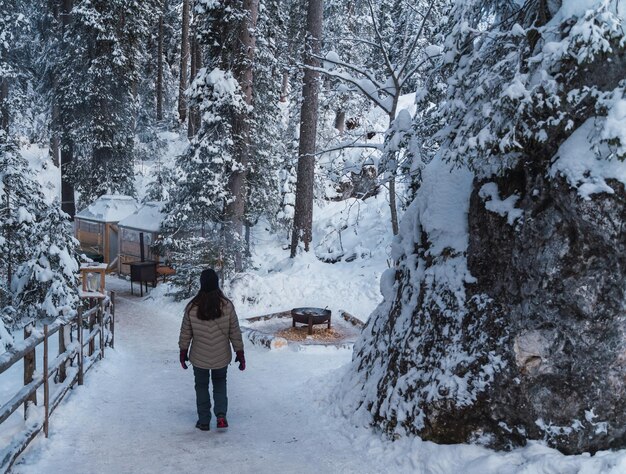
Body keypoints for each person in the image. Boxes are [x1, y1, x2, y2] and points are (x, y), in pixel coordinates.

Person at [178, 268, 245, 431]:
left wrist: (183, 352)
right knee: (220, 383)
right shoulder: (227, 306)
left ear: (202, 284)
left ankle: (204, 421)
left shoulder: (192, 307)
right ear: (216, 284)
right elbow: (234, 331)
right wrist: (239, 353)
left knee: (201, 386)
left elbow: (186, 332)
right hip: (221, 356)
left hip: (199, 357)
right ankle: (221, 416)